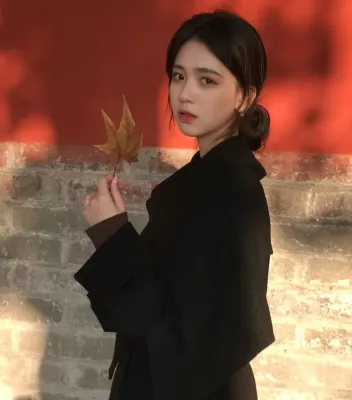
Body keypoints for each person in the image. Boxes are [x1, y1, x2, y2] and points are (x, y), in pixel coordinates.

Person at [74, 9, 275, 400]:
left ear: (244, 96)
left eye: (207, 80)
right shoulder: (205, 180)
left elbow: (180, 334)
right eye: (179, 76)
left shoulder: (229, 192)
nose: (185, 93)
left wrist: (112, 234)